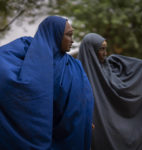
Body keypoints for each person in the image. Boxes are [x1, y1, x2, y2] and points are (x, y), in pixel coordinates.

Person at [0, 16, 94, 150]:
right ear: (54, 34)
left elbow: (80, 100)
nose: (72, 40)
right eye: (69, 35)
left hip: (70, 136)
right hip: (37, 136)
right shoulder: (28, 52)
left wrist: (85, 119)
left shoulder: (73, 66)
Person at [78, 33, 142, 150]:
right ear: (91, 50)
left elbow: (141, 67)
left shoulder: (111, 66)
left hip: (116, 126)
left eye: (105, 49)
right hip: (98, 128)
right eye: (101, 49)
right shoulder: (78, 75)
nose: (105, 53)